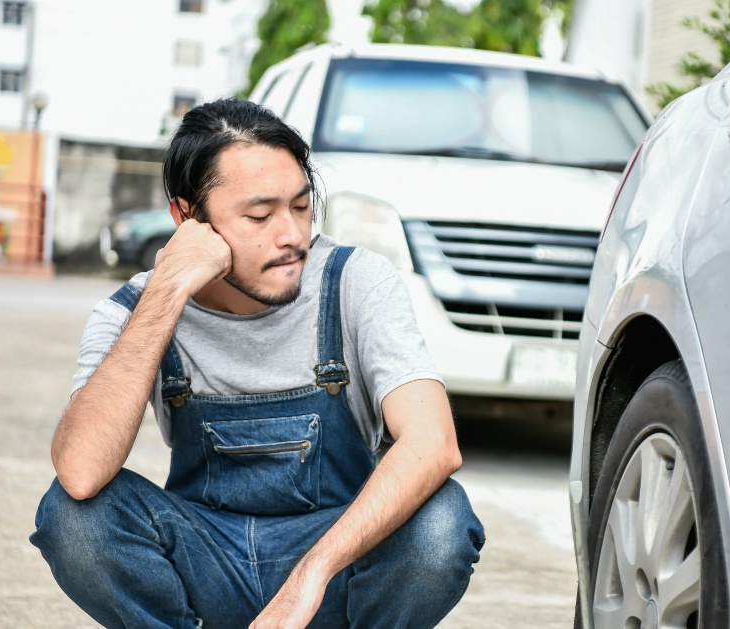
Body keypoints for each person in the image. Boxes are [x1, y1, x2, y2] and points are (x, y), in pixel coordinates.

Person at [30, 97, 485, 629]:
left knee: (442, 521)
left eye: (300, 205)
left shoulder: (357, 283)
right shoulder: (133, 312)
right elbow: (81, 472)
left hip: (338, 573)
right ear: (187, 218)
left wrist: (310, 575)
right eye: (259, 216)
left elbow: (435, 444)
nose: (291, 235)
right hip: (206, 564)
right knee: (72, 517)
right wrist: (169, 289)